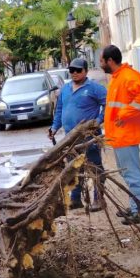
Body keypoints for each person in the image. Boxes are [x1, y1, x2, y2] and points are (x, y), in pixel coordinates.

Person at [100, 45, 140, 224]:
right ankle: (135, 206)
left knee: (132, 173)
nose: (100, 64)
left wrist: (124, 115)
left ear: (110, 61)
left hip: (126, 135)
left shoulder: (127, 77)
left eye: (102, 61)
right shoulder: (118, 77)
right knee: (127, 174)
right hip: (119, 136)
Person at [48, 57, 107, 210]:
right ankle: (75, 199)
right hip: (70, 138)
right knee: (74, 168)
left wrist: (99, 120)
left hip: (89, 136)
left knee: (95, 167)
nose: (74, 73)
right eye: (71, 70)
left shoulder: (94, 88)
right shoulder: (66, 89)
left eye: (78, 70)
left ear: (86, 71)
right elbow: (60, 110)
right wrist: (54, 128)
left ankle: (98, 199)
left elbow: (108, 104)